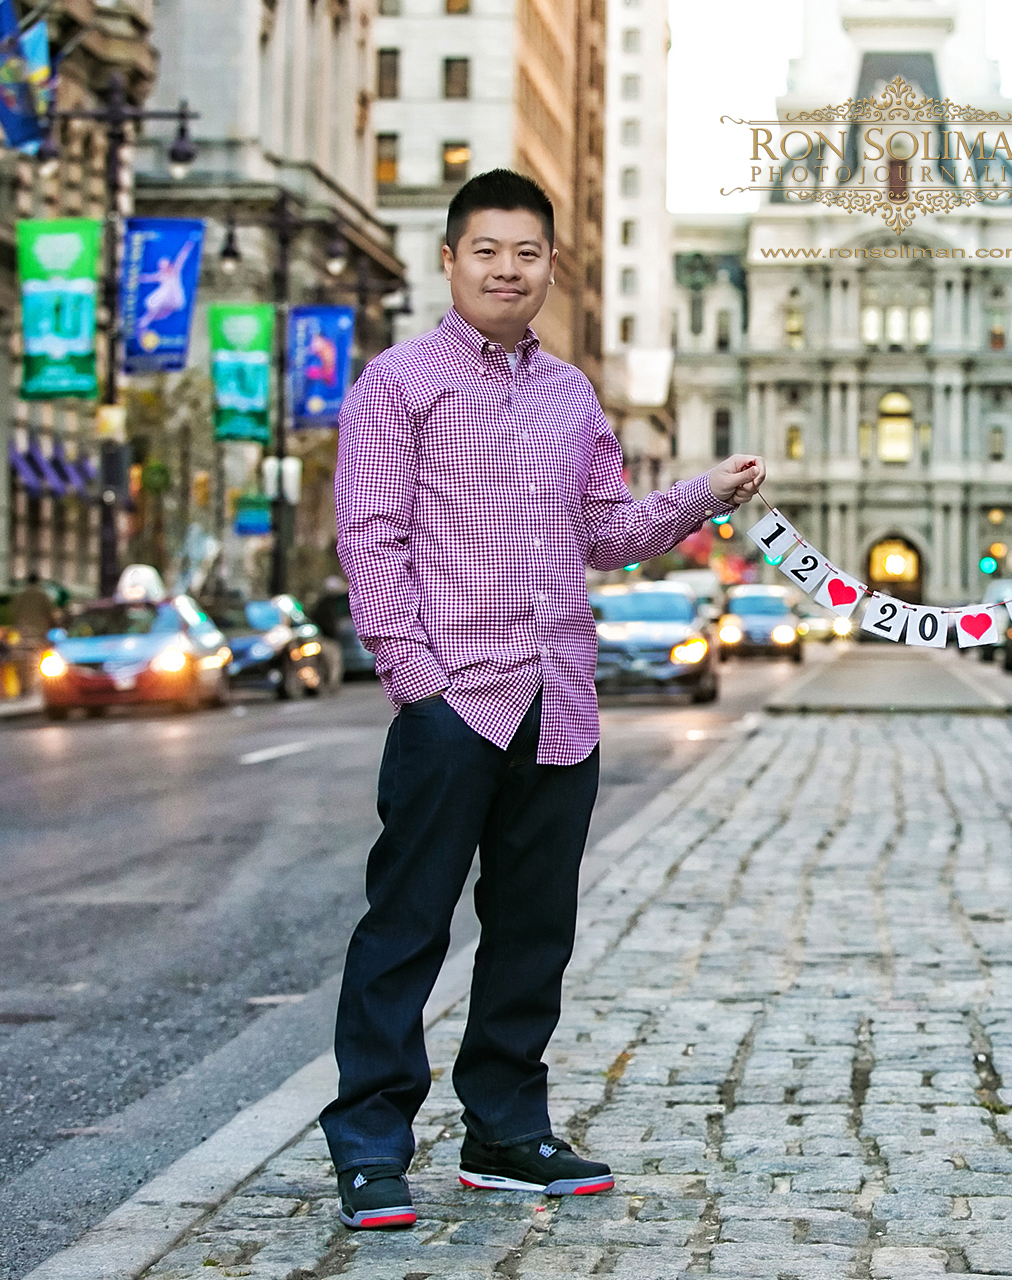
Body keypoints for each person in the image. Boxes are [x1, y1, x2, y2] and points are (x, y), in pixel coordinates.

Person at [326, 169, 766, 1231]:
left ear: (550, 267)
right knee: (408, 924)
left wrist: (701, 494)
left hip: (561, 697)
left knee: (533, 932)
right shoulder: (398, 382)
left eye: (526, 253)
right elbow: (371, 536)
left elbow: (604, 531)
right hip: (453, 699)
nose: (506, 270)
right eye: (486, 250)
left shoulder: (571, 394)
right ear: (450, 259)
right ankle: (373, 1142)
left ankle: (506, 1131)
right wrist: (415, 681)